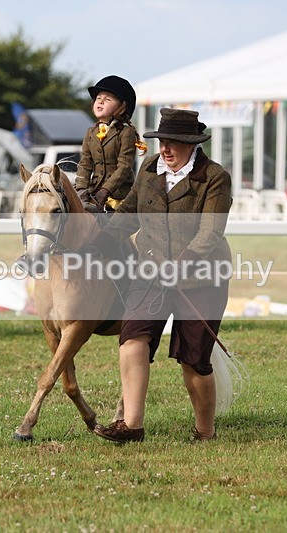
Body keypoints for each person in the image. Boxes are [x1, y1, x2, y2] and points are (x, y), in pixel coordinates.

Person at [91, 108, 233, 443]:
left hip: (202, 278)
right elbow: (130, 212)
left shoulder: (214, 177)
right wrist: (96, 239)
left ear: (192, 144)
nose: (165, 149)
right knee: (132, 338)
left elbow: (210, 232)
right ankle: (132, 425)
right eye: (162, 142)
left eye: (173, 143)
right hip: (151, 272)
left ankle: (205, 432)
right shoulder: (150, 168)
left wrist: (180, 264)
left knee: (193, 361)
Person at [75, 75, 145, 213]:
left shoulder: (126, 132)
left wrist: (106, 190)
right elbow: (85, 163)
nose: (100, 102)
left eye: (107, 99)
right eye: (98, 99)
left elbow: (124, 166)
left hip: (119, 195)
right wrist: (81, 189)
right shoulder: (91, 132)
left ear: (122, 107)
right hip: (94, 191)